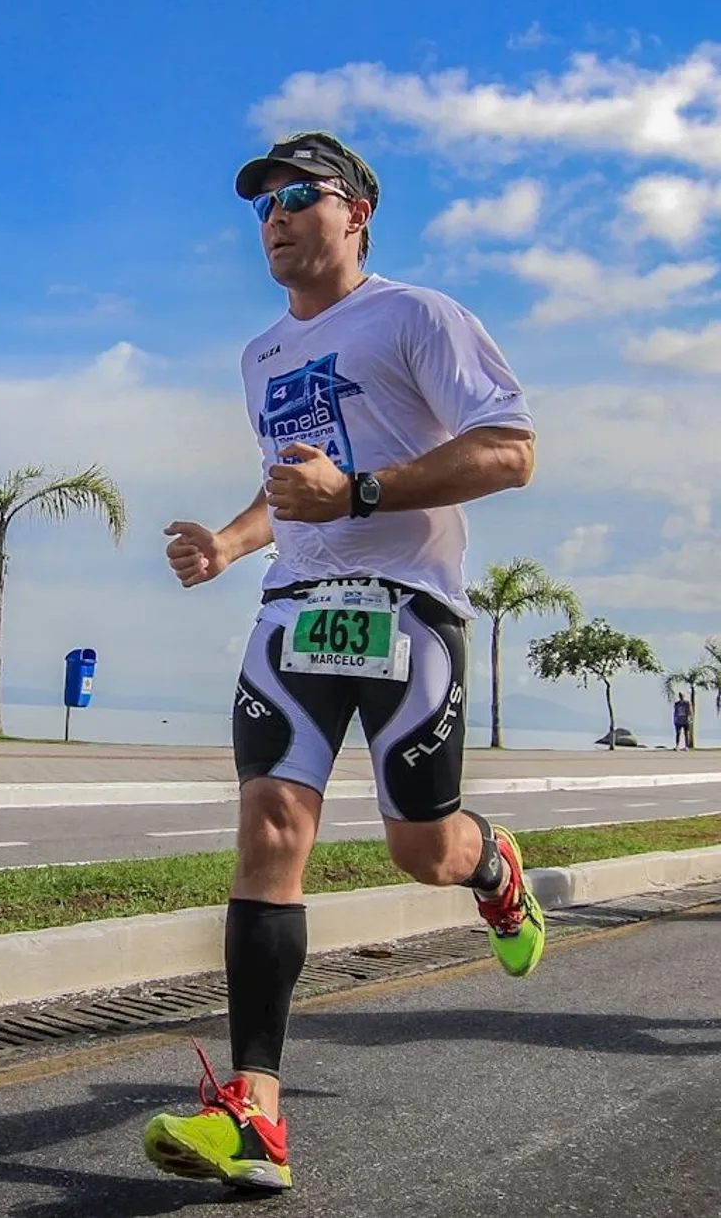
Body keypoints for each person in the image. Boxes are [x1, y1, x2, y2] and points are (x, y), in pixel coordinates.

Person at [142, 133, 545, 1194]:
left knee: (422, 848)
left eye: (296, 194)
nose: (273, 215)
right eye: (260, 203)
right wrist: (233, 543)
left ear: (357, 209)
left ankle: (493, 868)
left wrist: (361, 495)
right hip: (296, 614)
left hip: (409, 611)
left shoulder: (418, 315)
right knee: (271, 826)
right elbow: (291, 486)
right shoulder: (260, 355)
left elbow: (510, 448)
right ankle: (255, 1113)